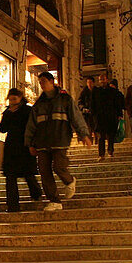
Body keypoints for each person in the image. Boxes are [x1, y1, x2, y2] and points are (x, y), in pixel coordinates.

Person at [25, 71, 91, 211]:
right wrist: (29, 143)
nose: (41, 84)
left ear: (51, 81)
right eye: (40, 81)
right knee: (44, 171)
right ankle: (54, 200)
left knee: (59, 166)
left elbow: (75, 116)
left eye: (43, 81)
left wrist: (83, 134)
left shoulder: (64, 99)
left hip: (60, 139)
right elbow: (32, 124)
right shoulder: (38, 104)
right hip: (42, 142)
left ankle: (69, 180)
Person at [0, 88, 42, 212]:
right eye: (10, 99)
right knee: (10, 176)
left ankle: (36, 194)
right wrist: (8, 115)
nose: (12, 101)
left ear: (20, 98)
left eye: (14, 98)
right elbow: (2, 128)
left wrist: (33, 144)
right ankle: (12, 205)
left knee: (28, 173)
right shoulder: (7, 112)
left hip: (24, 145)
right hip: (11, 147)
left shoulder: (27, 110)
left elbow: (33, 127)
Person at [91, 74, 125, 159]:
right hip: (100, 117)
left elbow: (117, 104)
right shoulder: (96, 91)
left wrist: (119, 114)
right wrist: (93, 115)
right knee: (101, 137)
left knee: (111, 136)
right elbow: (92, 104)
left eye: (103, 79)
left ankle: (110, 151)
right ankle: (101, 154)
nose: (102, 81)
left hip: (111, 116)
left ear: (106, 80)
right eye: (100, 80)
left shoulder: (113, 91)